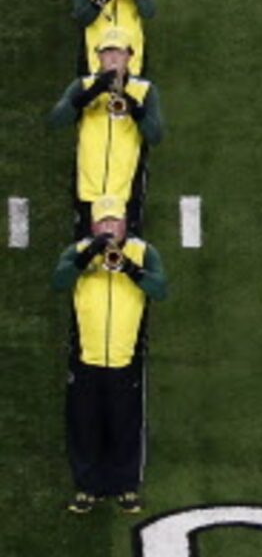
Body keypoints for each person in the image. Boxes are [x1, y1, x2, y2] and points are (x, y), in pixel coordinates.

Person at [57, 200, 165, 514]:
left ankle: (126, 486)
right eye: (103, 223)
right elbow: (59, 280)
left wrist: (129, 269)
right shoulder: (77, 251)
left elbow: (160, 290)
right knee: (84, 423)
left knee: (126, 424)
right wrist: (88, 256)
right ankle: (87, 487)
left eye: (114, 222)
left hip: (125, 357)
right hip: (85, 357)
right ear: (93, 227)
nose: (108, 228)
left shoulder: (144, 252)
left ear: (125, 223)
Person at [52, 41, 162, 239]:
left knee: (127, 249)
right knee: (86, 248)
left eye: (119, 52)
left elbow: (155, 135)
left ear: (129, 56)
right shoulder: (83, 85)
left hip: (126, 190)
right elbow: (57, 120)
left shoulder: (144, 90)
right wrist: (92, 93)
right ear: (98, 57)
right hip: (88, 189)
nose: (113, 58)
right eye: (107, 52)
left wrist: (133, 107)